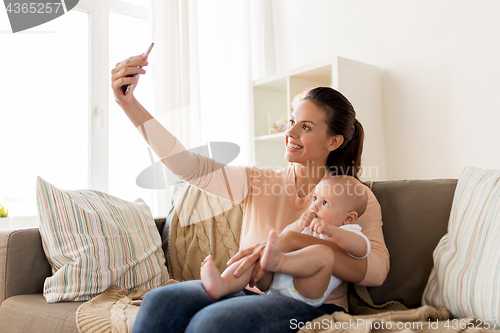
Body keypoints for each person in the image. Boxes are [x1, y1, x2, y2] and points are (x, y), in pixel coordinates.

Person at [111, 53, 389, 333]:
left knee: (212, 323)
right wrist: (128, 103)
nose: (290, 132)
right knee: (160, 300)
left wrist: (292, 242)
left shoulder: (353, 195)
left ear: (334, 141)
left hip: (313, 306)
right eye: (291, 121)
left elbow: (376, 271)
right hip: (248, 291)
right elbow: (189, 167)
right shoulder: (258, 180)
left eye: (305, 127)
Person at [200, 175, 371, 308]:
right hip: (272, 283)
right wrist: (299, 224)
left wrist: (333, 232)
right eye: (314, 199)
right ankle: (223, 284)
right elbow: (286, 237)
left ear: (349, 218)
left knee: (323, 254)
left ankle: (278, 262)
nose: (314, 207)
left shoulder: (348, 231)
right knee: (257, 257)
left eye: (325, 203)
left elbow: (362, 250)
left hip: (306, 291)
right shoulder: (310, 224)